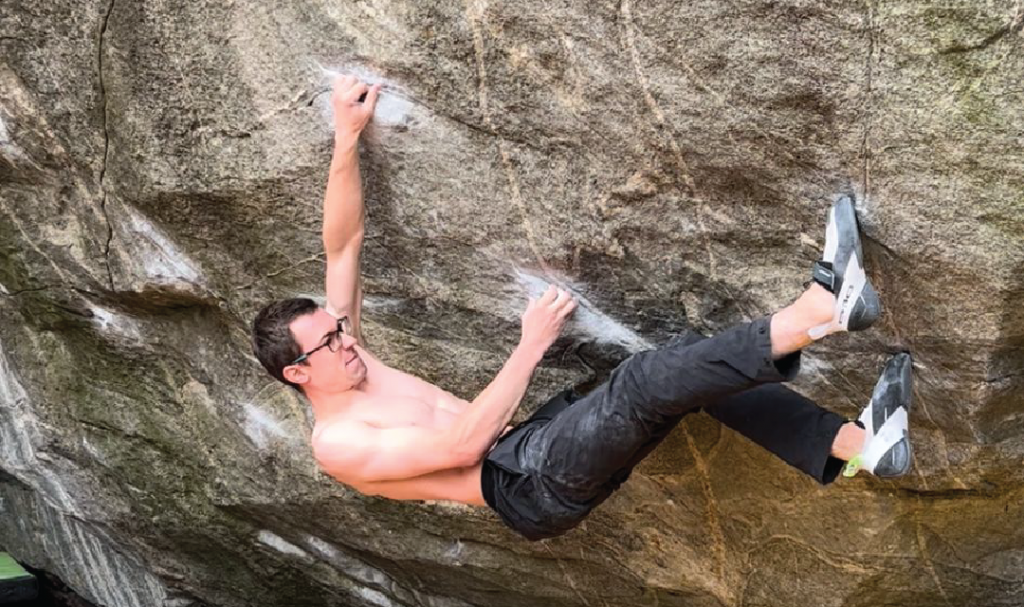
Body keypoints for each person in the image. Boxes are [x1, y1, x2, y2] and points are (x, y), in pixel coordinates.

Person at [251, 76, 913, 541]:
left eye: (339, 329)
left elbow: (343, 245)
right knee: (647, 382)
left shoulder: (346, 350)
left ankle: (860, 444)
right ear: (298, 373)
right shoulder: (337, 444)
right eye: (329, 344)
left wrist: (345, 138)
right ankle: (821, 308)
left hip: (534, 447)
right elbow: (460, 444)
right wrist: (529, 343)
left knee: (680, 366)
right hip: (525, 484)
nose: (346, 341)